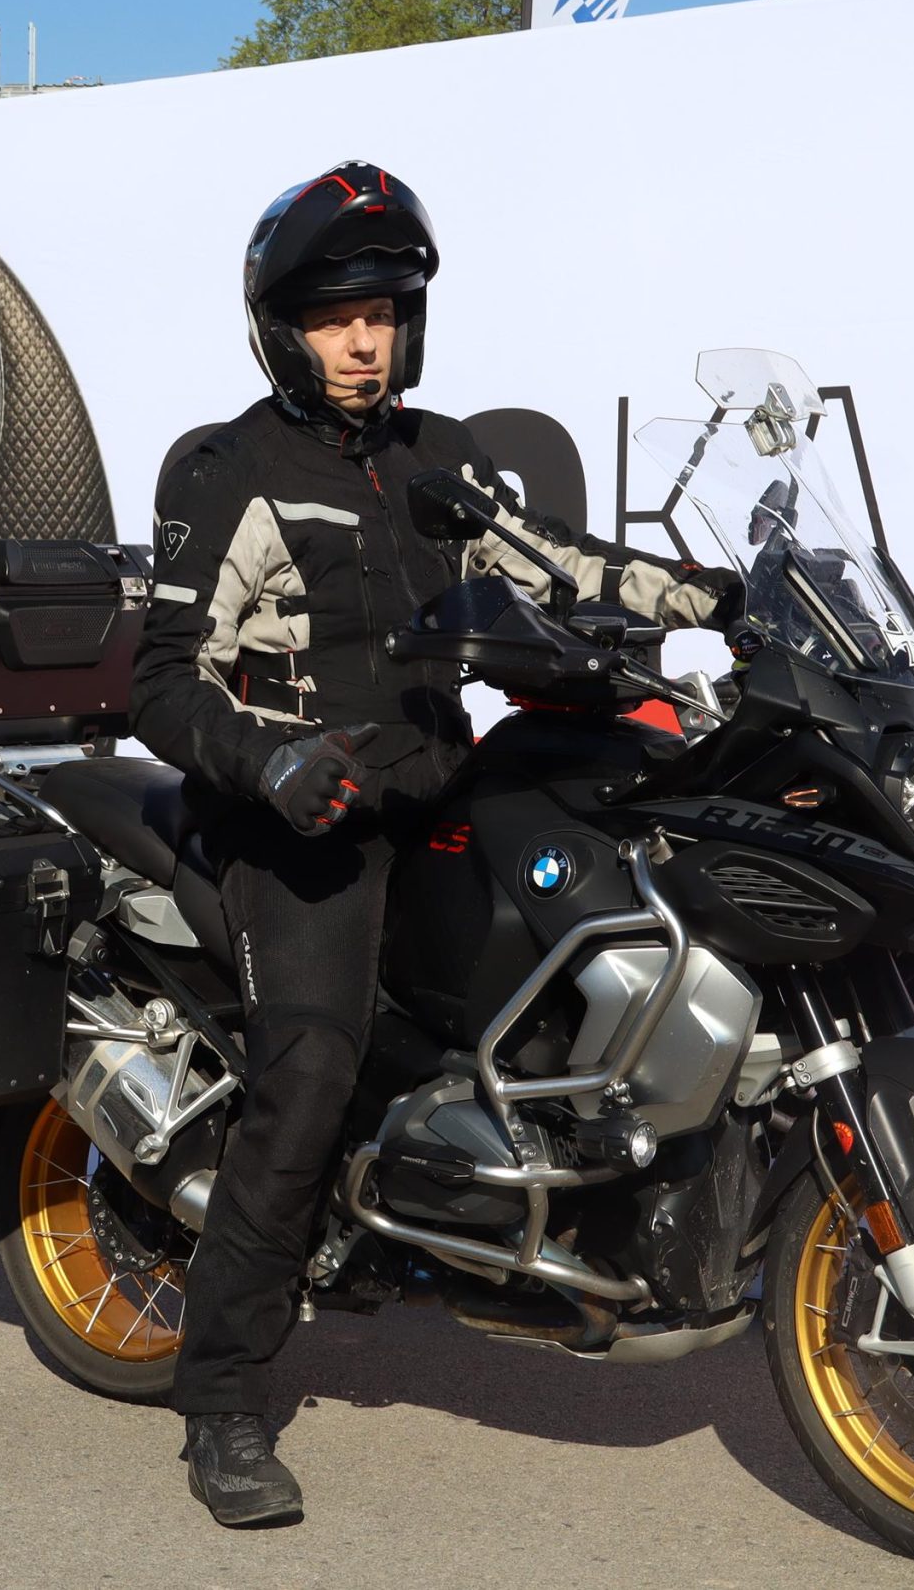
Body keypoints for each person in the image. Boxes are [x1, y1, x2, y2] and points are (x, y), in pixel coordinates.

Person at [130, 161, 740, 1527]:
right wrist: (273, 759)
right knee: (309, 1070)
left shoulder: (441, 457)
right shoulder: (235, 471)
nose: (365, 341)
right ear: (283, 329)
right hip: (301, 822)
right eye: (338, 318)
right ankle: (223, 1400)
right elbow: (163, 678)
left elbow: (556, 559)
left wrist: (708, 598)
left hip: (437, 793)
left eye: (385, 314)